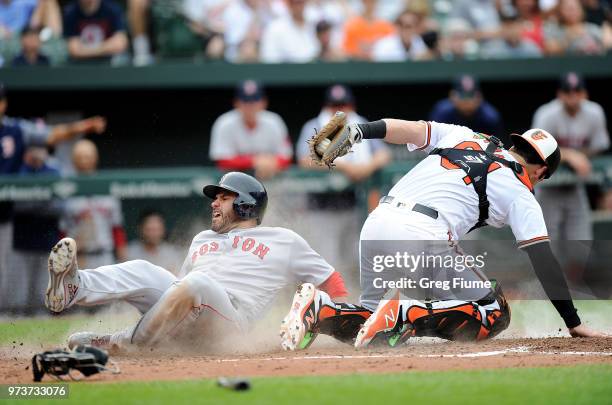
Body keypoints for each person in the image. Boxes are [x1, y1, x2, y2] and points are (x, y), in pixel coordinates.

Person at [280, 115, 605, 351]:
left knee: (370, 325)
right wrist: (573, 321)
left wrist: (361, 131)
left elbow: (407, 128)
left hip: (377, 223)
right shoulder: (521, 192)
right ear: (543, 171)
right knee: (494, 312)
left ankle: (319, 310)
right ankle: (404, 314)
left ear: (515, 144)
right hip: (422, 233)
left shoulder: (466, 136)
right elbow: (543, 260)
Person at [44, 172, 348, 352]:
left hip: (230, 322)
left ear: (245, 204)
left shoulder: (283, 239)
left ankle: (119, 343)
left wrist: (345, 321)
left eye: (223, 197)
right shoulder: (203, 238)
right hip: (191, 309)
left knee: (196, 283)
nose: (214, 202)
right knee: (145, 269)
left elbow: (331, 281)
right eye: (215, 198)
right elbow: (177, 293)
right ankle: (75, 287)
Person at [532, 72, 610, 240]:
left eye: (577, 91)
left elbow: (599, 147)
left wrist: (577, 156)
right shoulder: (546, 114)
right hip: (547, 185)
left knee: (580, 244)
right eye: (568, 92)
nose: (573, 96)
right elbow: (535, 147)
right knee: (546, 241)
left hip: (575, 185)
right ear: (559, 94)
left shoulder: (594, 113)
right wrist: (569, 155)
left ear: (585, 93)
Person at [60, 139, 127, 268]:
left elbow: (117, 227)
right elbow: (62, 230)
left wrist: (123, 257)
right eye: (80, 157)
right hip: (76, 256)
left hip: (104, 255)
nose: (84, 161)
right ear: (73, 161)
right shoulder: (65, 189)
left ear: (95, 158)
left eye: (88, 157)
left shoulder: (106, 188)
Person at [209, 80, 292, 180]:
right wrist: (254, 161)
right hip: (233, 182)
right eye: (245, 101)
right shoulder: (224, 123)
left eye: (255, 100)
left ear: (264, 102)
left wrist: (271, 162)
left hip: (270, 179)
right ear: (236, 103)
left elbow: (286, 157)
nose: (250, 106)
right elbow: (222, 160)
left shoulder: (274, 121)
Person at [429, 74, 506, 145]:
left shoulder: (490, 117)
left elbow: (496, 146)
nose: (467, 101)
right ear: (452, 96)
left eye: (471, 96)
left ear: (480, 97)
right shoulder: (442, 112)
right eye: (463, 96)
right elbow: (433, 141)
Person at [63, 0, 129, 63]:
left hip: (109, 62)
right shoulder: (70, 12)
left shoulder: (112, 9)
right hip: (81, 65)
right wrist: (107, 47)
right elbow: (73, 49)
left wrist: (84, 50)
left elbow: (120, 43)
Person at [127, 210, 183, 275]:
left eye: (157, 229)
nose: (153, 234)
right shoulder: (129, 253)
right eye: (149, 229)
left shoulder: (171, 253)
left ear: (163, 230)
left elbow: (177, 279)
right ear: (140, 229)